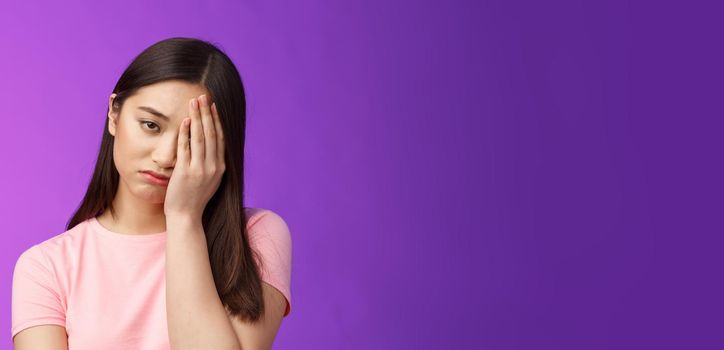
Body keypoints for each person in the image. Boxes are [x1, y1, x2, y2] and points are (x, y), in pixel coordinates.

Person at [11, 37, 292, 349]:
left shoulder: (255, 237)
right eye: (151, 125)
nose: (166, 157)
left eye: (192, 137)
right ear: (113, 115)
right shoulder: (45, 267)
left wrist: (184, 218)